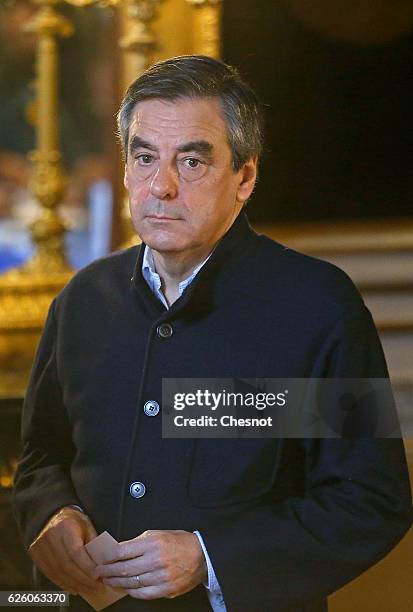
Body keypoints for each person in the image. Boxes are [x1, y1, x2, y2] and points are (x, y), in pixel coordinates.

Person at [13, 55, 412, 612]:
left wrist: (210, 557)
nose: (162, 186)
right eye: (144, 157)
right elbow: (41, 458)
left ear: (244, 177)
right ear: (125, 168)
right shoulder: (82, 301)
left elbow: (371, 500)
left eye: (192, 162)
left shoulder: (317, 305)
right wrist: (54, 513)